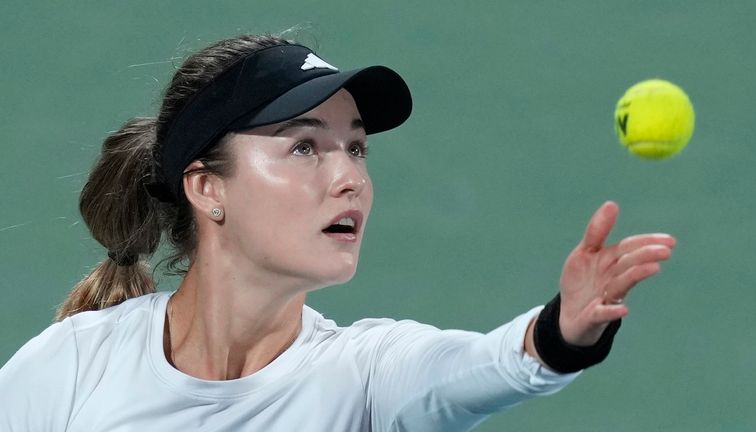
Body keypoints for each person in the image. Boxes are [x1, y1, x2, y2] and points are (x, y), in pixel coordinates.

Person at [0, 34, 675, 431]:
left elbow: (475, 369)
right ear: (208, 188)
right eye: (304, 147)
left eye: (356, 149)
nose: (349, 177)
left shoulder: (364, 376)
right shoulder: (73, 366)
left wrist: (562, 333)